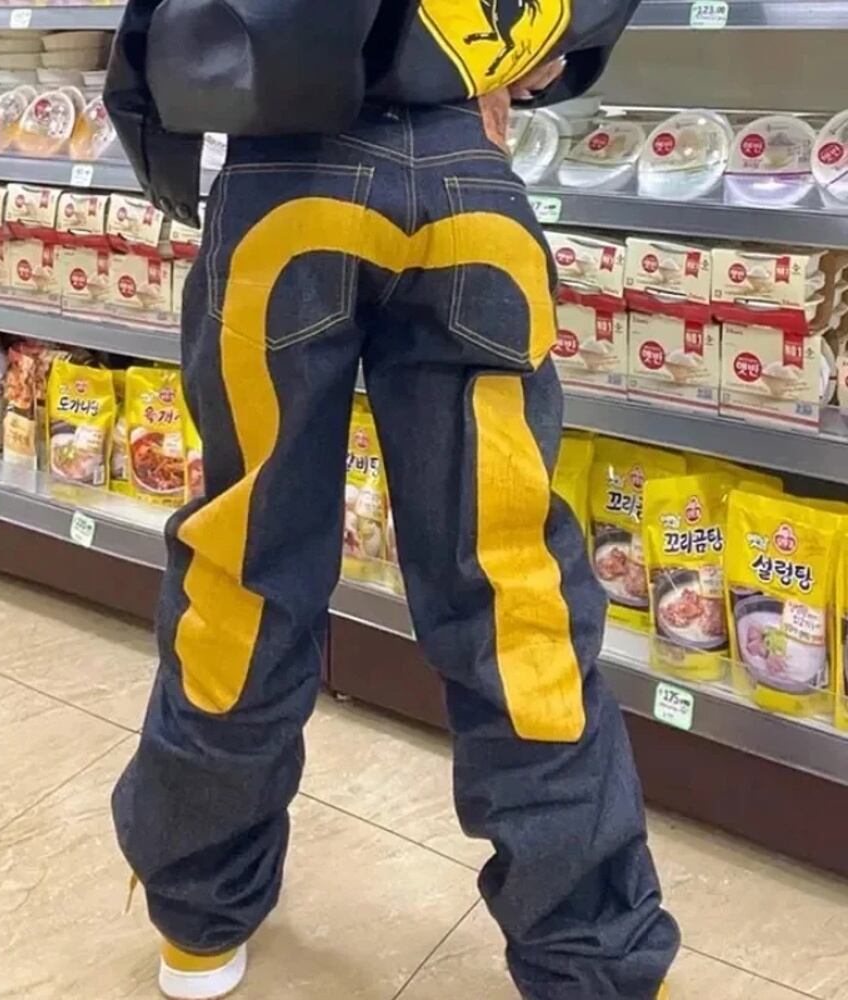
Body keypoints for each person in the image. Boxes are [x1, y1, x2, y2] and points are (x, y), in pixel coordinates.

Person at [106, 3, 681, 997]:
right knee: (515, 593)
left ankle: (199, 919)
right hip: (470, 177)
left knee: (247, 566)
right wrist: (535, 39)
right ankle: (593, 953)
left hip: (284, 181)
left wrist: (164, 134)